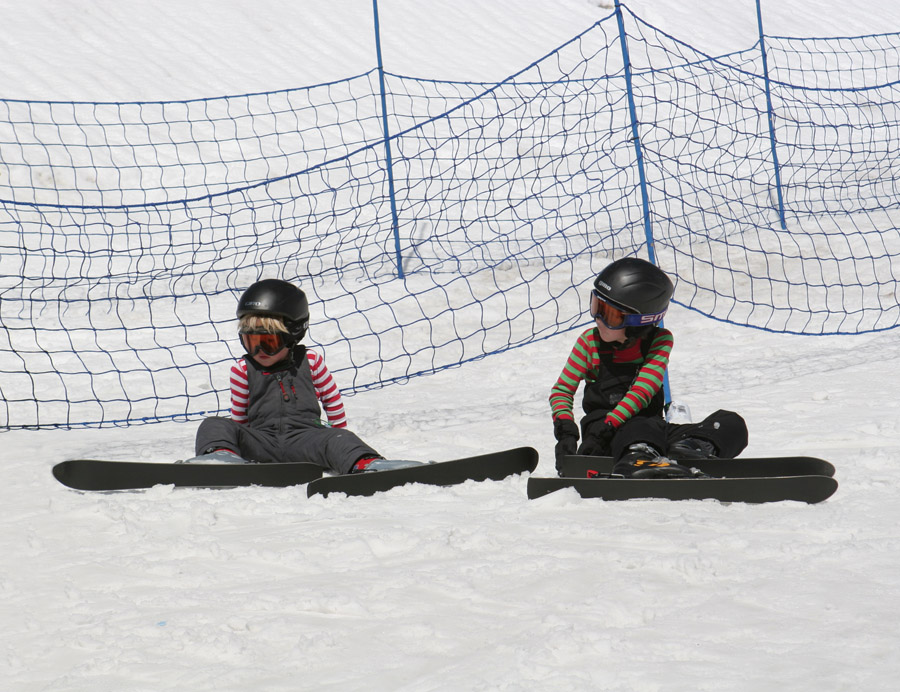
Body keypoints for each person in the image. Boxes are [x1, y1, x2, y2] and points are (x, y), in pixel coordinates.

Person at [191, 278, 419, 474]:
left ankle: (367, 464)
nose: (259, 352)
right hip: (262, 441)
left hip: (307, 439)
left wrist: (338, 435)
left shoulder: (310, 362)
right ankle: (221, 459)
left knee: (339, 438)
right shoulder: (242, 369)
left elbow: (331, 398)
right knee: (214, 424)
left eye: (268, 343)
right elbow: (239, 416)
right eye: (251, 343)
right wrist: (236, 442)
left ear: (292, 335)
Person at [549, 257, 748, 478]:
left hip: (650, 430)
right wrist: (566, 432)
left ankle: (687, 452)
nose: (598, 318)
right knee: (639, 426)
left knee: (731, 423)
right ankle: (638, 460)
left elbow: (642, 391)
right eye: (597, 306)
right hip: (604, 436)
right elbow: (562, 391)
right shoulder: (589, 342)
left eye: (610, 315)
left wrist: (613, 423)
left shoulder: (660, 341)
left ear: (639, 321)